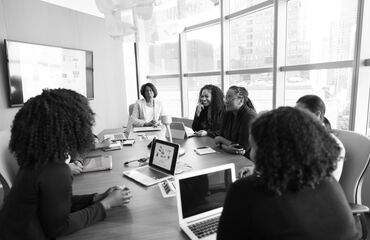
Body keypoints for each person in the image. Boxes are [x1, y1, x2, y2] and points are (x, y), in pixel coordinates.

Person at [0, 89, 133, 239]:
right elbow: (59, 228)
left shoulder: (38, 161)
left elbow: (56, 203)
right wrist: (106, 204)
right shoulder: (57, 171)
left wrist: (97, 198)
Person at [217, 107, 360, 240]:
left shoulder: (246, 189)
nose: (251, 154)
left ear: (267, 152)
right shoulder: (329, 182)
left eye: (253, 147)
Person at [296, 94, 344, 181]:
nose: (296, 118)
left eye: (301, 114)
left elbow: (329, 181)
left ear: (317, 115)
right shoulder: (303, 137)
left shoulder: (333, 146)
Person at [214, 86, 257, 157]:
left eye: (229, 97)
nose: (225, 101)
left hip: (247, 159)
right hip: (228, 156)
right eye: (225, 97)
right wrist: (225, 147)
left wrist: (221, 141)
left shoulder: (250, 116)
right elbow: (218, 139)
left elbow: (241, 148)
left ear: (241, 100)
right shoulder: (227, 113)